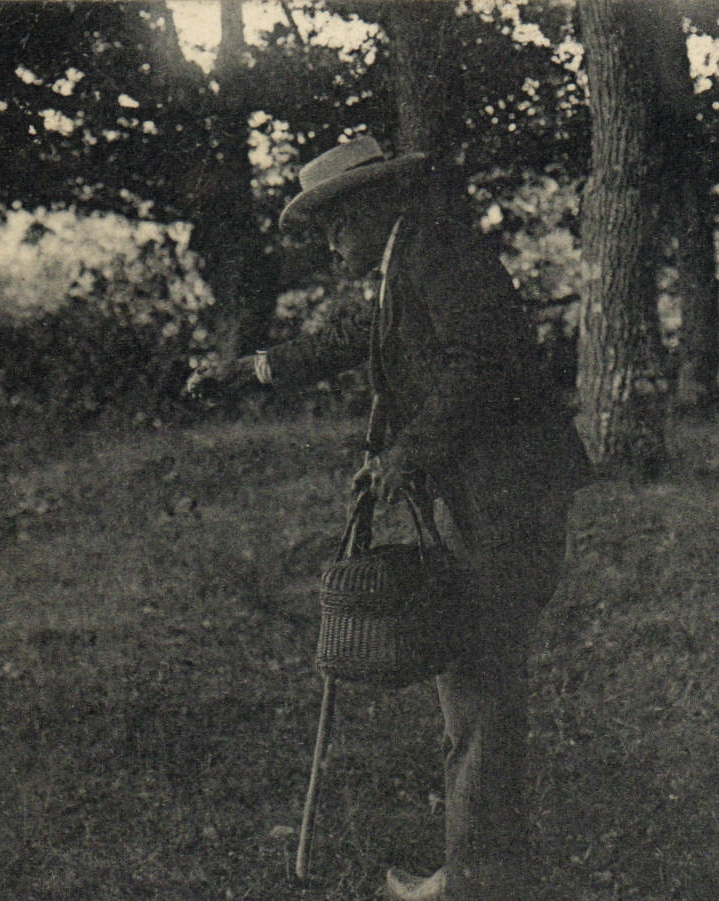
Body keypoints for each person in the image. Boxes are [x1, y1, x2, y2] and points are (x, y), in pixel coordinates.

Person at [184, 136, 593, 900]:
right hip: (481, 495)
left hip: (508, 498)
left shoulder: (439, 255)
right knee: (473, 684)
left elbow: (483, 366)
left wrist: (404, 452)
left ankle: (479, 880)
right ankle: (481, 866)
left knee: (477, 686)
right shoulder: (403, 265)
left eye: (335, 224)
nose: (329, 242)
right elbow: (349, 341)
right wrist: (248, 368)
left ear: (372, 206)